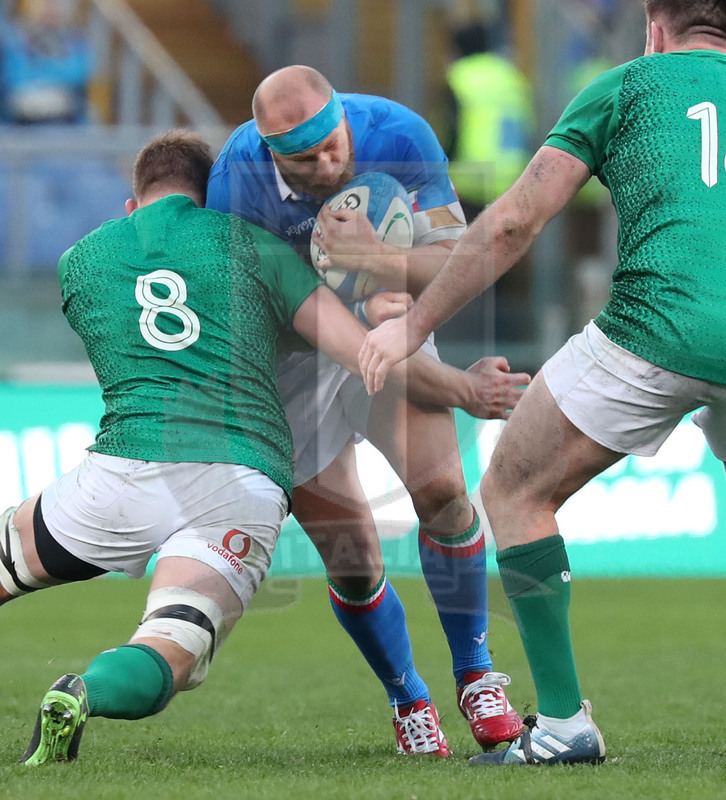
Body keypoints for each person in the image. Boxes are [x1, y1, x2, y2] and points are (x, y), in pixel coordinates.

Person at [6, 129, 508, 765]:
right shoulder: (254, 246)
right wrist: (463, 386)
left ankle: (457, 684)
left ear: (131, 205)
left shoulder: (81, 259)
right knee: (187, 638)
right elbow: (365, 352)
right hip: (238, 474)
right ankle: (84, 692)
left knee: (6, 558)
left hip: (121, 467)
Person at [360, 0, 726, 766]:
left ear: (656, 30)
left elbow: (513, 222)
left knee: (514, 490)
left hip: (654, 329)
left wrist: (413, 324)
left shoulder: (627, 86)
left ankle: (562, 725)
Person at [207, 65, 530, 756]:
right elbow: (248, 310)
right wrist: (345, 294)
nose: (328, 165)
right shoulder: (235, 179)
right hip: (290, 358)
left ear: (344, 119)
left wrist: (378, 262)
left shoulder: (399, 133)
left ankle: (476, 676)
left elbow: (456, 257)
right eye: (306, 158)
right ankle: (408, 696)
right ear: (269, 151)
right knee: (352, 556)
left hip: (391, 331)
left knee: (444, 492)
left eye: (335, 146)